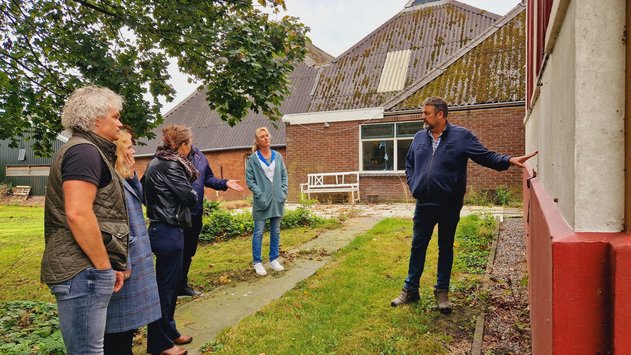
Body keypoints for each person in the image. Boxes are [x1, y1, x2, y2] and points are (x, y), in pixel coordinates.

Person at [390, 97, 537, 314]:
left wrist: (508, 160)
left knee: (445, 247)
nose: (423, 117)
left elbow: (485, 156)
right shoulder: (420, 137)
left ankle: (442, 292)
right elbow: (409, 164)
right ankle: (410, 289)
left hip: (449, 204)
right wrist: (415, 185)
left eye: (427, 113)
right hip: (425, 203)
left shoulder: (461, 136)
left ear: (440, 114)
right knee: (418, 246)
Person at [41, 85, 129, 354]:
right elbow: (78, 213)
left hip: (86, 267)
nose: (120, 122)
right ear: (95, 119)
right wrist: (104, 267)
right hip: (82, 270)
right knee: (87, 351)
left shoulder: (90, 150)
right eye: (115, 117)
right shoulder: (84, 152)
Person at [104, 130, 162, 355]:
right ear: (117, 150)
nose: (133, 150)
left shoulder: (123, 176)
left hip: (135, 256)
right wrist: (122, 261)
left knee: (127, 326)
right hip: (124, 260)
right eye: (128, 146)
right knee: (118, 328)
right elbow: (112, 223)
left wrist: (131, 174)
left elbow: (141, 197)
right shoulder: (109, 178)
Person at [143, 124, 198, 355]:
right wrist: (192, 194)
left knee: (171, 286)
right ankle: (159, 343)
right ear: (183, 146)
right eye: (190, 144)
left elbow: (143, 191)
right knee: (164, 289)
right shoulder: (173, 165)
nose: (191, 148)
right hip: (168, 230)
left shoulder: (156, 161)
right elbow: (190, 197)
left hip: (162, 227)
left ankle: (170, 332)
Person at [178, 145, 243, 296]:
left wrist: (224, 183)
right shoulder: (169, 158)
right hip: (177, 215)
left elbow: (207, 178)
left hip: (195, 213)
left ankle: (181, 285)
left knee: (188, 251)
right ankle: (170, 288)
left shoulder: (199, 156)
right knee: (176, 252)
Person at [245, 127, 289, 276]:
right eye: (262, 137)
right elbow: (250, 180)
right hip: (261, 201)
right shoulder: (252, 159)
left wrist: (283, 192)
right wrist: (259, 194)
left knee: (275, 231)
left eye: (267, 136)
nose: (266, 138)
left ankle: (273, 259)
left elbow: (284, 175)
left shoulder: (278, 156)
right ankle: (257, 262)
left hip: (277, 200)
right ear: (257, 141)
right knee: (258, 232)